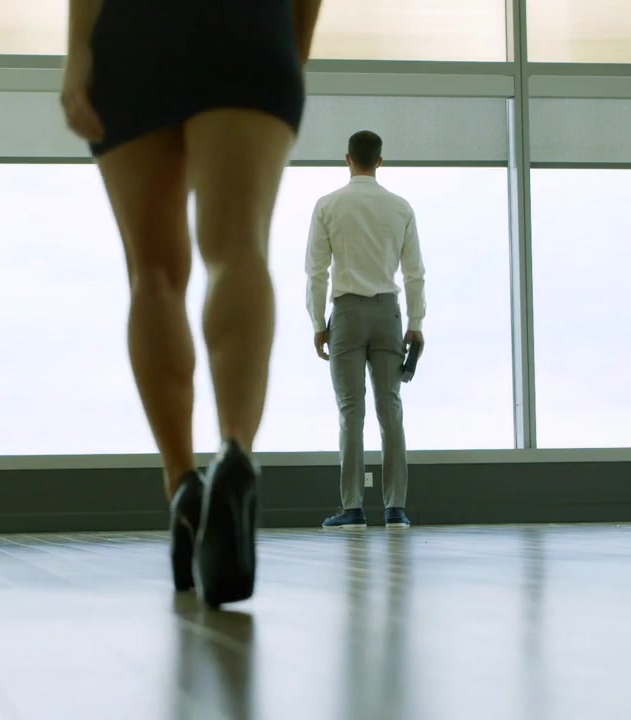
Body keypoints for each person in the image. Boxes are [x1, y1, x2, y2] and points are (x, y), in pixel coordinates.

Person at [60, 0, 322, 606]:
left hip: (135, 34)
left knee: (153, 277)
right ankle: (235, 457)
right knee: (237, 249)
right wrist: (292, 43)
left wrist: (77, 54)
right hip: (247, 28)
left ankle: (183, 486)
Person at [305, 130, 426, 530]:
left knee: (350, 411)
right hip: (388, 313)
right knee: (390, 410)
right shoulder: (400, 207)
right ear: (380, 161)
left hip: (347, 314)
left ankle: (353, 508)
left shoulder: (328, 205)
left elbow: (316, 272)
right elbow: (414, 273)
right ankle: (395, 509)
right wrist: (416, 323)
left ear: (348, 159)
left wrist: (317, 323)